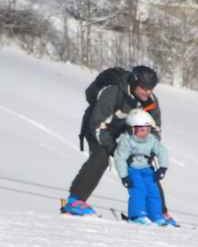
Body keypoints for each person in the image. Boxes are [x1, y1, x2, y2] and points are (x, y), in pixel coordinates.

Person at [63, 65, 162, 217]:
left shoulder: (150, 101)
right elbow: (97, 125)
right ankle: (75, 201)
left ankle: (159, 212)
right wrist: (115, 149)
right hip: (97, 128)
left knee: (144, 164)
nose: (148, 92)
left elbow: (154, 128)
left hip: (123, 132)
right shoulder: (113, 92)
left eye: (151, 88)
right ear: (135, 83)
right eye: (144, 88)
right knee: (101, 156)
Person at [113, 110, 174, 227]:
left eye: (147, 129)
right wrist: (124, 176)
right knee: (139, 190)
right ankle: (137, 215)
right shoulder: (126, 141)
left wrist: (162, 168)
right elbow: (120, 158)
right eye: (141, 130)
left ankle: (156, 216)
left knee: (154, 192)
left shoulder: (151, 139)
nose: (145, 133)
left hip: (147, 170)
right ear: (132, 129)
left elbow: (162, 151)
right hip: (132, 170)